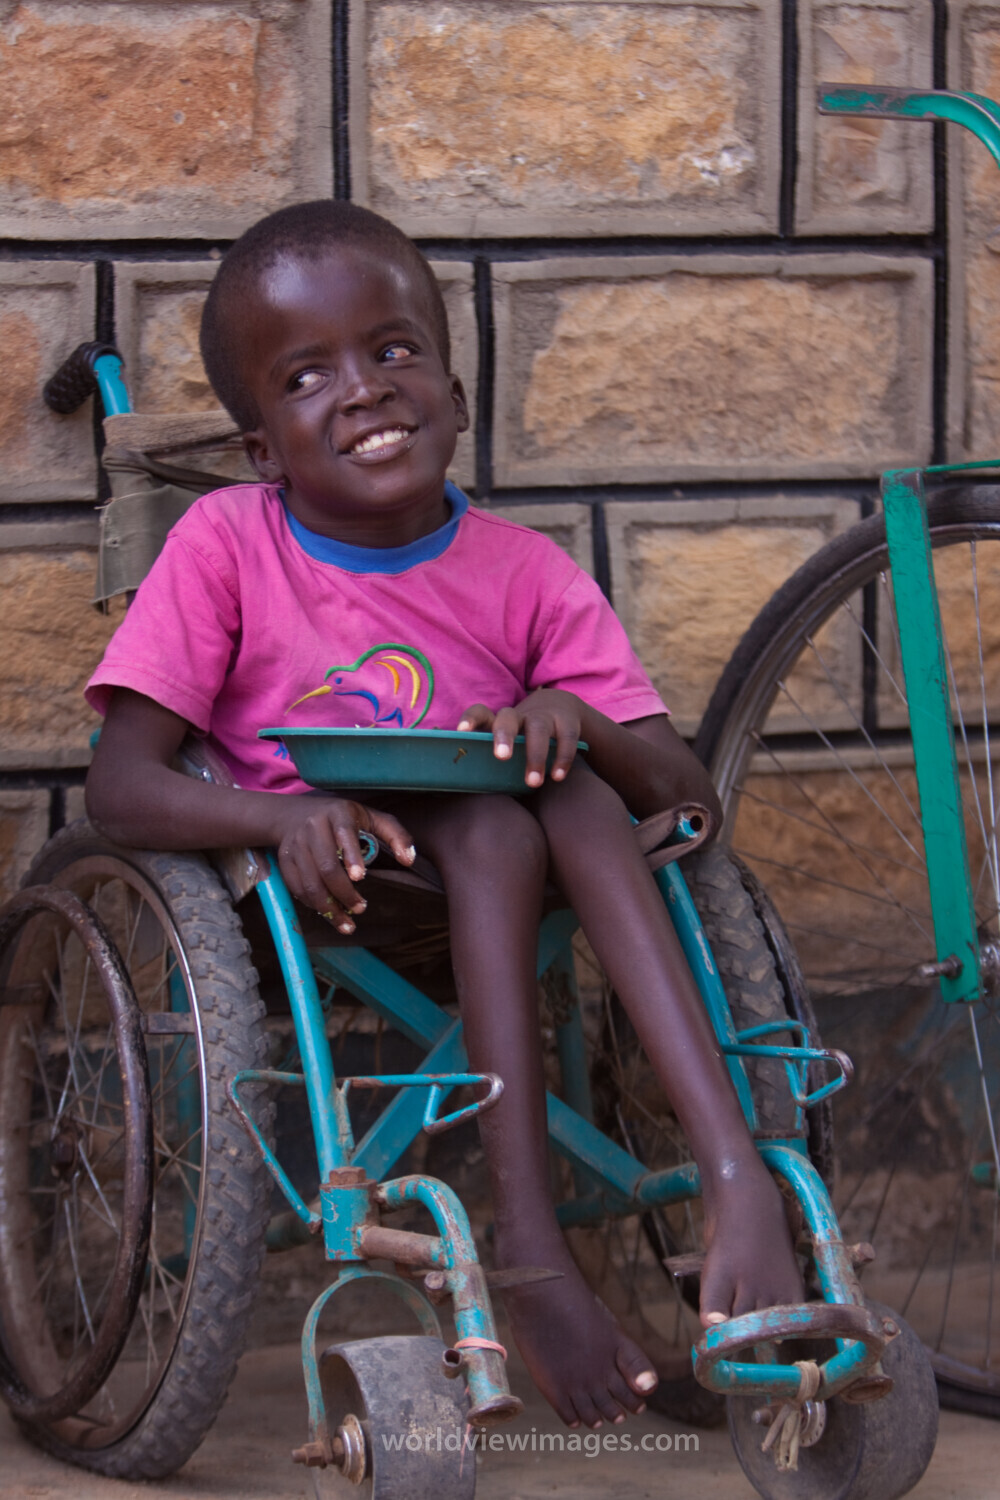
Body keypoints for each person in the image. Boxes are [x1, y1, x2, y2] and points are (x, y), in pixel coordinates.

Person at [85, 201, 804, 1433]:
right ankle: (528, 1249)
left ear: (459, 399)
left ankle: (733, 1173)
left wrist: (578, 717)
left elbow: (687, 800)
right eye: (309, 377)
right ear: (263, 450)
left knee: (545, 792)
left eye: (394, 351)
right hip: (322, 894)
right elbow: (119, 785)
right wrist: (275, 816)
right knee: (499, 819)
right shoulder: (227, 546)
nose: (363, 392)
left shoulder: (527, 574)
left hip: (528, 872)